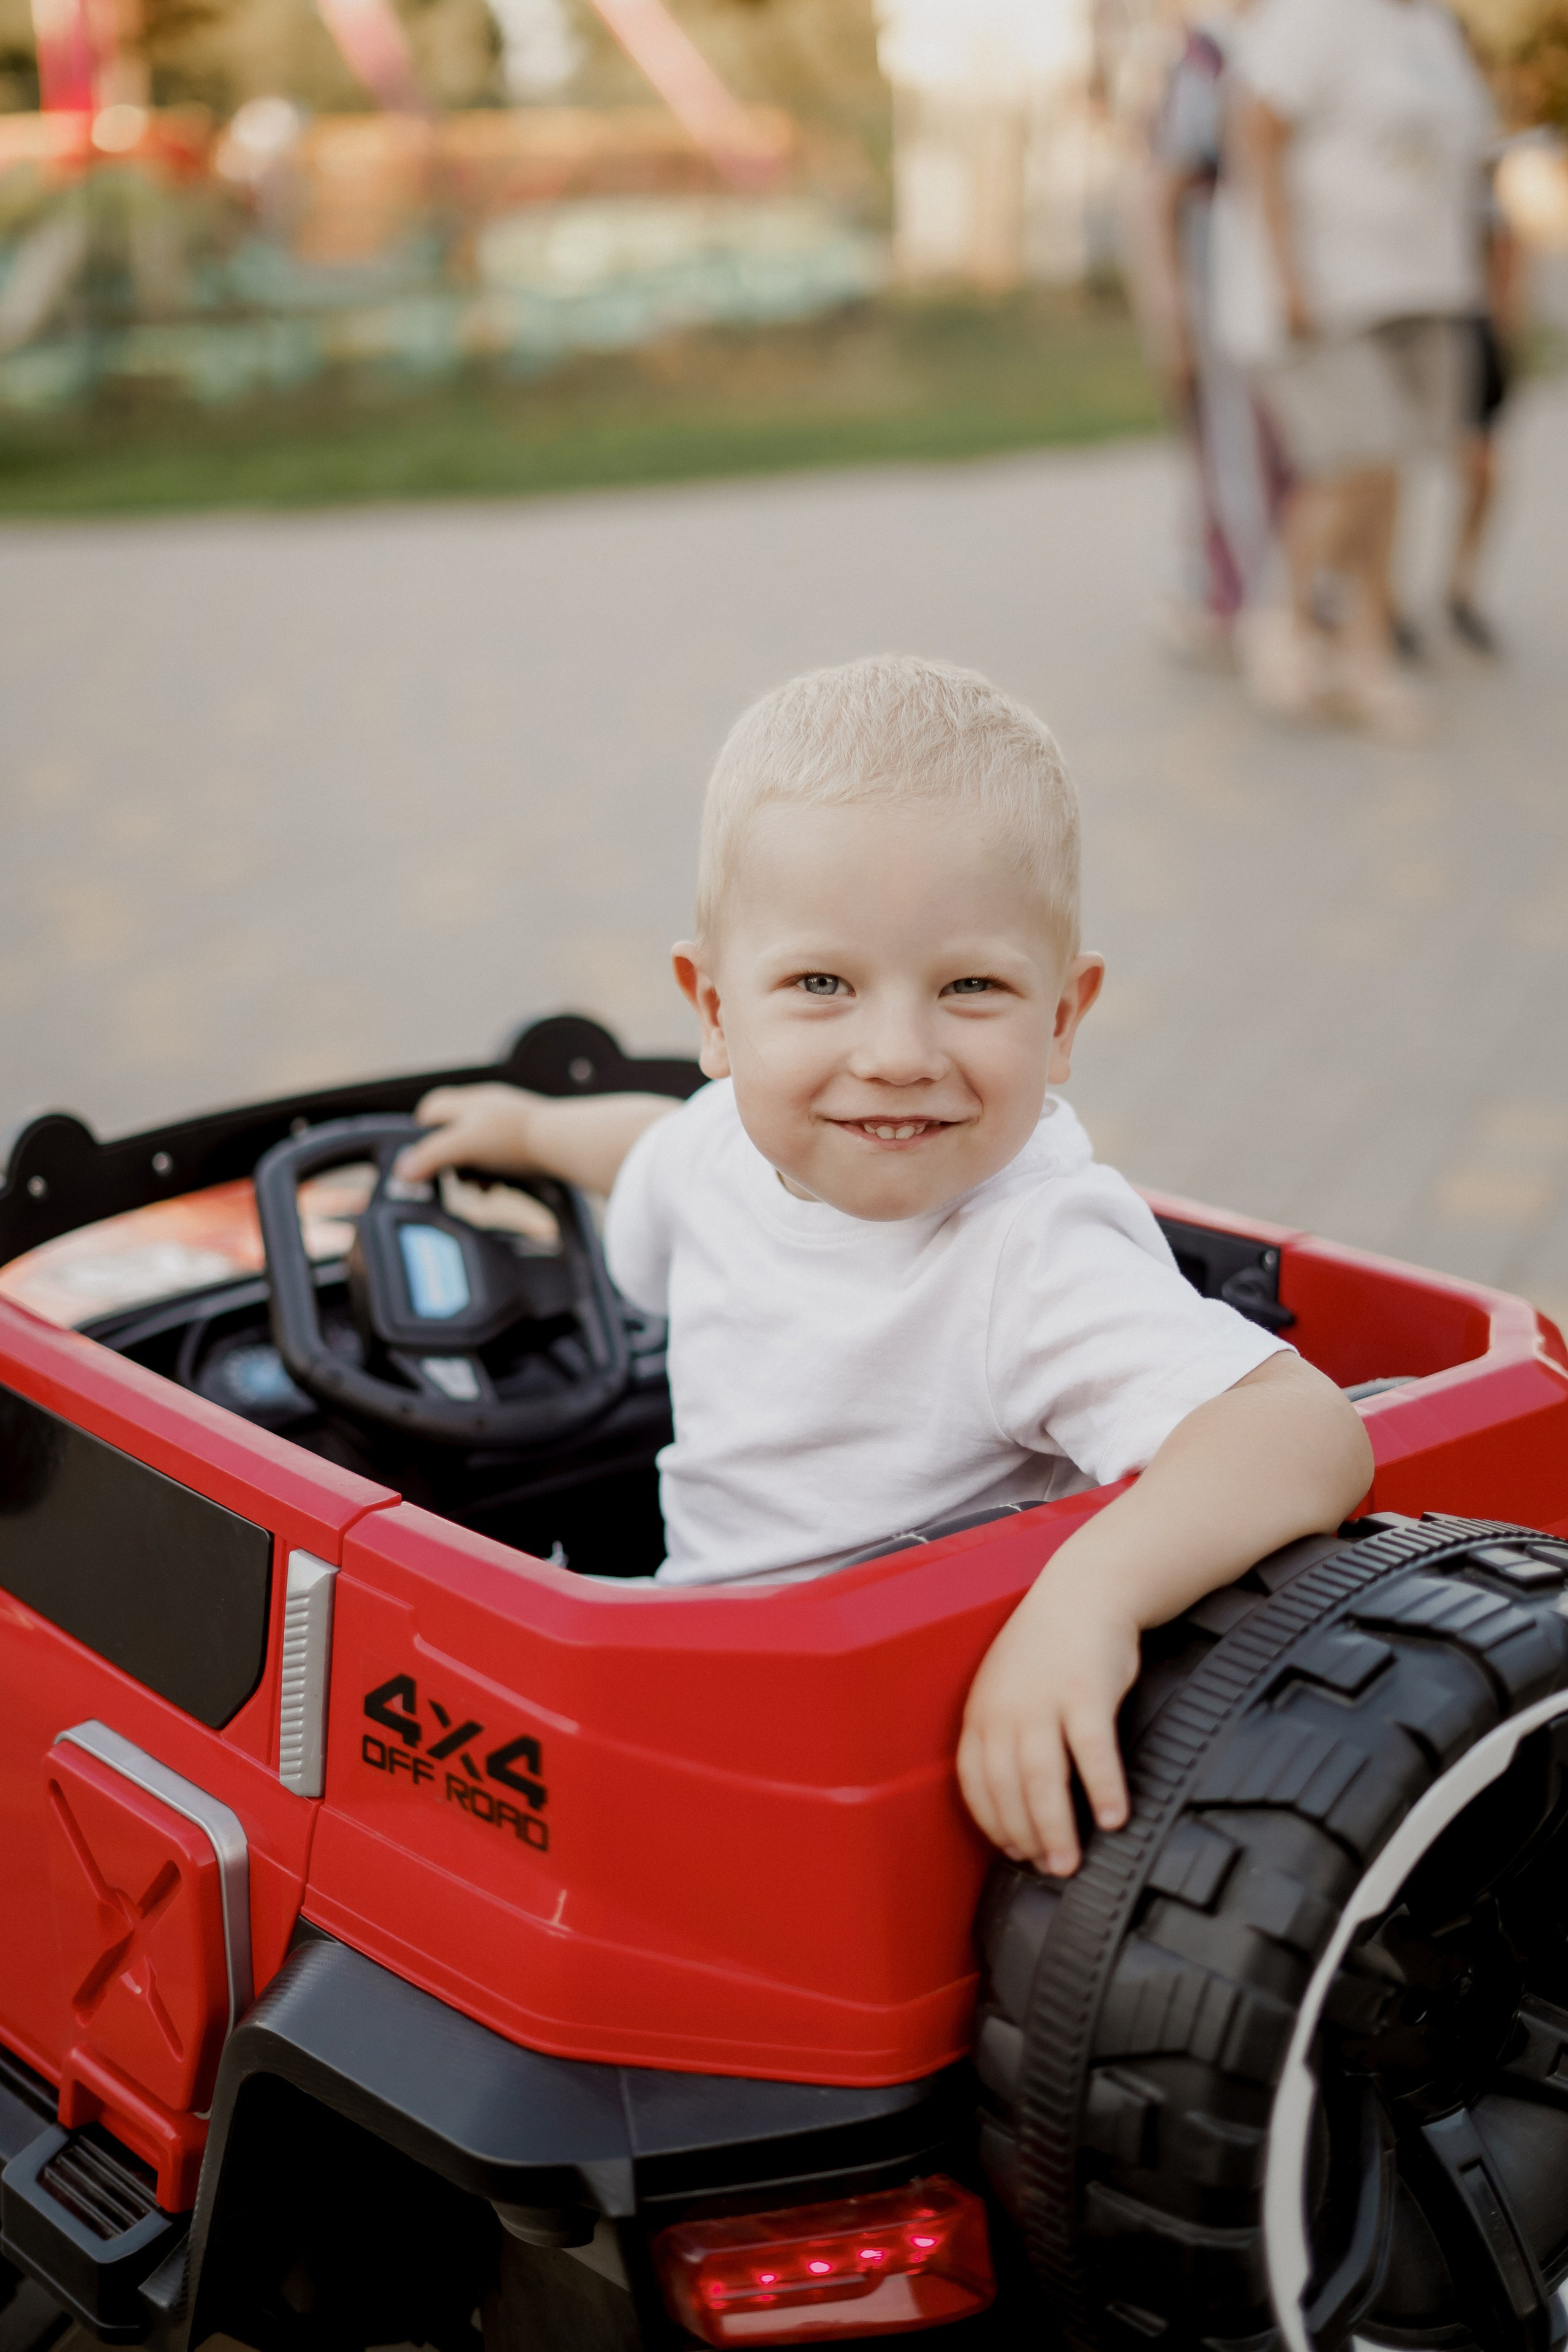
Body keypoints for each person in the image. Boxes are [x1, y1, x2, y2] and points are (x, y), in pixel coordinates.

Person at [398, 657, 1371, 1875]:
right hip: (687, 1666)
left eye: (971, 986)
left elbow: (1300, 1430)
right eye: (823, 984)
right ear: (714, 1012)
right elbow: (646, 1144)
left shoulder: (1029, 1251)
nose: (898, 1053)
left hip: (864, 1760)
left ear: (1062, 1018)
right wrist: (529, 1131)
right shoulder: (720, 1146)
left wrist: (1088, 1602)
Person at [1211, 0, 1497, 737]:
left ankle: (1363, 659)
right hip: (1325, 294)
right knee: (1354, 461)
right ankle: (1281, 617)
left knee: (1388, 473)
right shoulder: (1319, 15)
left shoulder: (1432, 27)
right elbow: (1254, 128)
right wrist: (1286, 276)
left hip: (1422, 288)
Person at [1143, 7, 1289, 660]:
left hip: (1288, 291)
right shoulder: (1211, 53)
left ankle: (1280, 596)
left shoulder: (1296, 35)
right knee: (1236, 449)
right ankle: (1235, 600)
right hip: (1223, 288)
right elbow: (1163, 186)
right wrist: (1168, 301)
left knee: (1291, 452)